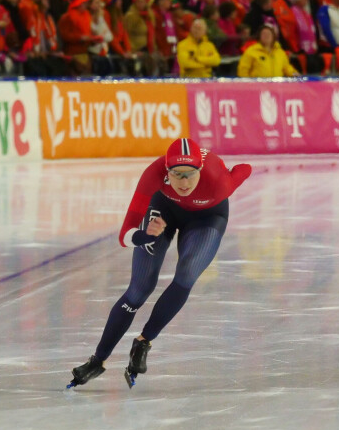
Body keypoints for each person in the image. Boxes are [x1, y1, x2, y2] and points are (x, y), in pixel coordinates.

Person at [69, 139, 253, 389]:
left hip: (208, 217)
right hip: (163, 209)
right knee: (139, 288)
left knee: (187, 274)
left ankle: (144, 341)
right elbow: (125, 233)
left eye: (190, 175)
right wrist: (144, 235)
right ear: (166, 171)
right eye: (177, 175)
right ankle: (98, 360)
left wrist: (226, 167)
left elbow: (245, 168)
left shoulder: (219, 183)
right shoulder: (153, 174)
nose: (184, 183)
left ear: (200, 171)